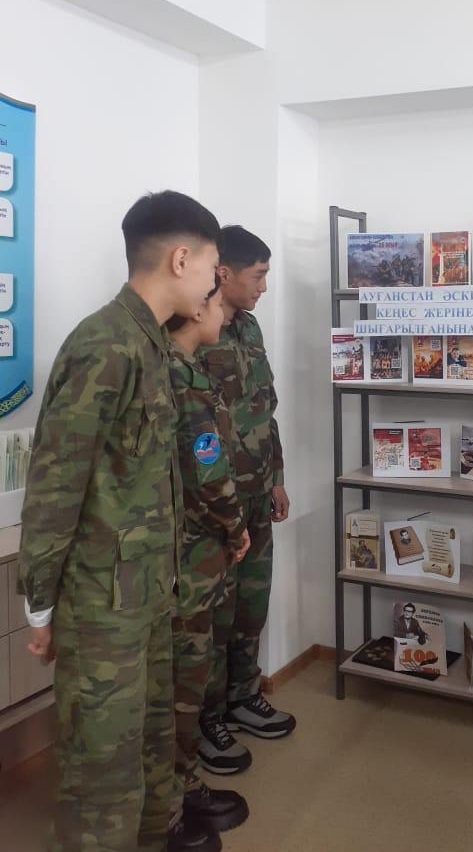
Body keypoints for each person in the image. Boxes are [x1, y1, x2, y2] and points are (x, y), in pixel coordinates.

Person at [18, 191, 221, 852]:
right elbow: (56, 484)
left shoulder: (150, 344)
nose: (214, 283)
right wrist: (41, 604)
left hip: (147, 592)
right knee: (101, 772)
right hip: (102, 604)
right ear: (182, 259)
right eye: (212, 266)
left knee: (151, 744)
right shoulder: (105, 346)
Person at [198, 226, 295, 776]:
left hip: (259, 494)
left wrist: (277, 476)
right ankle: (207, 717)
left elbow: (264, 409)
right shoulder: (193, 328)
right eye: (257, 275)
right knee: (215, 616)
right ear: (224, 272)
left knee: (251, 609)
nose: (263, 286)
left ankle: (241, 697)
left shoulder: (249, 327)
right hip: (219, 505)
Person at [167, 280, 252, 852]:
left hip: (194, 554)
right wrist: (235, 525)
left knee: (190, 673)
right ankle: (175, 792)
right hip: (191, 555)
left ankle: (182, 781)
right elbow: (207, 473)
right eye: (218, 304)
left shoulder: (186, 370)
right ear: (199, 309)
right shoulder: (182, 379)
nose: (225, 315)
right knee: (183, 678)